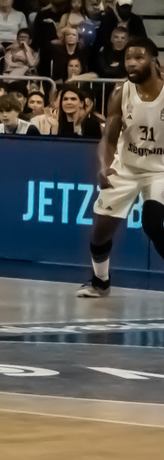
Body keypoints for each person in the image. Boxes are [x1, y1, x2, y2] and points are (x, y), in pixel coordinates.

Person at [82, 38, 164, 298]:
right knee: (99, 234)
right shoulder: (120, 92)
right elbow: (108, 138)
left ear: (155, 61)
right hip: (125, 168)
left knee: (152, 222)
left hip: (160, 170)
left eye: (139, 57)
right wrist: (105, 166)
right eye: (128, 57)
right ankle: (100, 281)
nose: (131, 62)